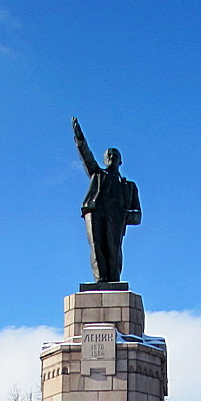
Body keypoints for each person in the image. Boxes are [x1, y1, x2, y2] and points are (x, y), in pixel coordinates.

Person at [73, 117, 141, 283]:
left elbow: (138, 215)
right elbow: (87, 157)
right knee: (96, 246)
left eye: (115, 154)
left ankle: (114, 280)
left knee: (113, 248)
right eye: (108, 154)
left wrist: (124, 216)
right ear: (104, 160)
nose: (111, 156)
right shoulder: (97, 175)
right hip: (95, 211)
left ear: (120, 161)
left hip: (116, 216)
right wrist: (80, 139)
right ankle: (100, 279)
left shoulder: (129, 186)